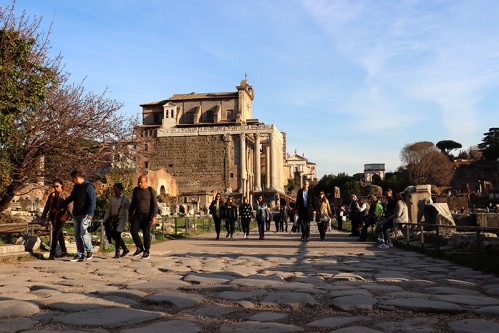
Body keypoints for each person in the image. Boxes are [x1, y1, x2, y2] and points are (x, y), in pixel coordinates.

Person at [59, 171, 96, 262]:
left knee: (83, 232)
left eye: (73, 179)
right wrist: (60, 206)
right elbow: (71, 198)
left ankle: (89, 250)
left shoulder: (88, 187)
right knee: (77, 234)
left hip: (85, 214)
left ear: (77, 177)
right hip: (77, 213)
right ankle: (80, 253)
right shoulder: (76, 187)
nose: (72, 181)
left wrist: (91, 214)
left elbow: (92, 201)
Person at [128, 175, 158, 259]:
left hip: (147, 214)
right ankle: (140, 247)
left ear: (146, 182)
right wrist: (130, 214)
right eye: (138, 182)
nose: (139, 183)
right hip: (137, 214)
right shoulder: (136, 190)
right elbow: (133, 203)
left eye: (141, 182)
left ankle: (146, 251)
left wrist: (154, 216)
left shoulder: (151, 191)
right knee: (133, 231)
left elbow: (155, 205)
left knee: (146, 234)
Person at [41, 179, 72, 260]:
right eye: (54, 186)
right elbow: (47, 206)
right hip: (53, 217)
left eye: (57, 186)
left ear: (61, 185)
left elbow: (70, 207)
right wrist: (43, 217)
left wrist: (67, 215)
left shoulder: (65, 195)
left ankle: (52, 254)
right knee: (59, 234)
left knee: (55, 234)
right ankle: (64, 251)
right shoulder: (52, 195)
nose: (55, 188)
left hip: (62, 217)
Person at [103, 183, 131, 258]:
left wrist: (131, 218)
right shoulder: (112, 198)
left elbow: (130, 209)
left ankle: (117, 252)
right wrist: (105, 219)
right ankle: (125, 249)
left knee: (118, 233)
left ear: (120, 190)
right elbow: (109, 209)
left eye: (116, 189)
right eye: (114, 190)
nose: (114, 191)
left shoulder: (125, 198)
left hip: (121, 218)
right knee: (115, 235)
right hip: (113, 219)